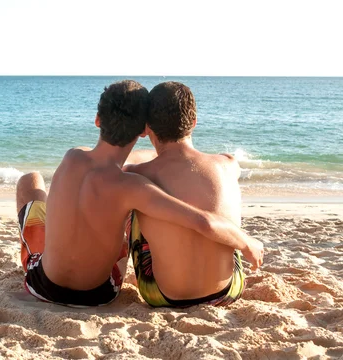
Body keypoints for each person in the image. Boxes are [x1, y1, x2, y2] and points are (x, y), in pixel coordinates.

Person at [16, 80, 263, 307]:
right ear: (142, 131)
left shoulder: (73, 157)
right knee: (135, 207)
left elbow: (109, 163)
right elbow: (203, 221)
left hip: (45, 286)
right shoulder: (134, 185)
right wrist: (246, 241)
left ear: (97, 120)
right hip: (100, 294)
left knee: (31, 180)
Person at [126, 81, 262, 307]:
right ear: (194, 122)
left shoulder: (136, 174)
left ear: (147, 127)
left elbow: (127, 162)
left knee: (133, 204)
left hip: (162, 296)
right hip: (228, 290)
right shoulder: (228, 164)